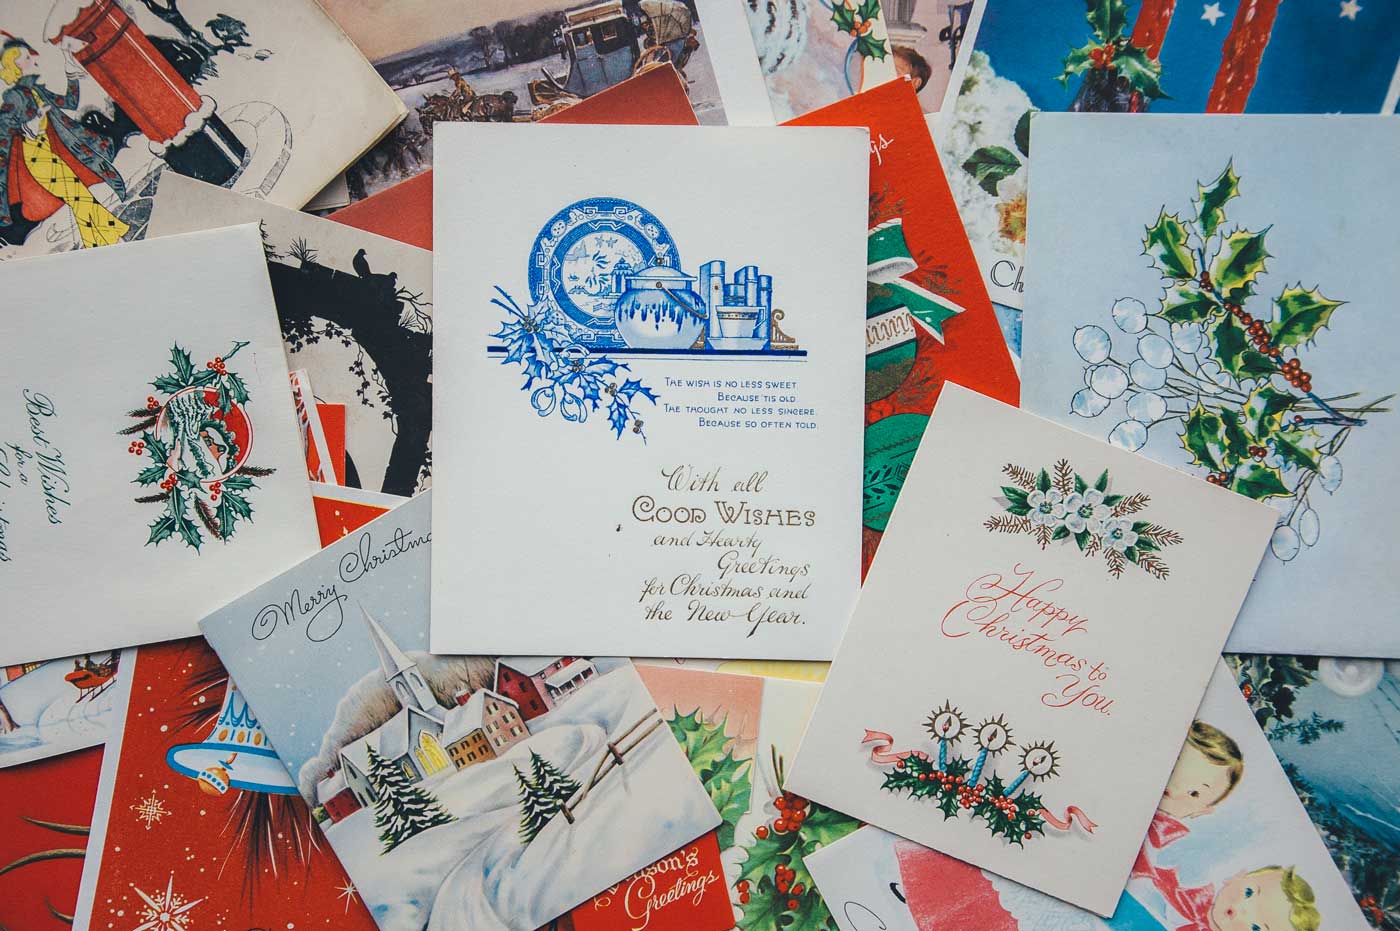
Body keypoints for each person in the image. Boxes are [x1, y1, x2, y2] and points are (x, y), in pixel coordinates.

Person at [0, 33, 127, 250]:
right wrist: (32, 123)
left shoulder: (36, 90)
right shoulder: (15, 96)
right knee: (78, 196)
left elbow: (69, 102)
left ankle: (105, 239)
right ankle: (107, 240)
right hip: (36, 157)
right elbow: (4, 126)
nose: (34, 59)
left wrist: (71, 74)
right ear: (16, 64)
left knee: (79, 196)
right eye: (28, 57)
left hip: (49, 152)